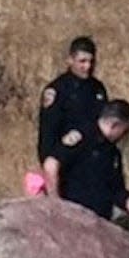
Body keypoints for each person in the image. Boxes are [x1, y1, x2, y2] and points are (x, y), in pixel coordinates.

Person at [47, 98, 129, 235]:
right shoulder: (82, 136)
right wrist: (57, 206)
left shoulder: (112, 153)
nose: (126, 136)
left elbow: (119, 194)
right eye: (125, 131)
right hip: (71, 222)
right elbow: (51, 164)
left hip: (98, 225)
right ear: (115, 125)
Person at [37, 36, 108, 194]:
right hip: (66, 163)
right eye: (82, 61)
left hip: (91, 164)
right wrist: (51, 171)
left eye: (91, 62)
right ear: (70, 60)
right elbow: (48, 134)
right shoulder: (57, 91)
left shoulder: (97, 88)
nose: (87, 66)